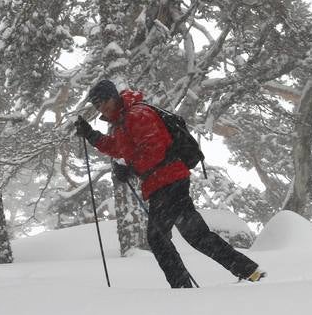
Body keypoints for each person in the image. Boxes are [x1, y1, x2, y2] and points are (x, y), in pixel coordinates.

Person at [74, 79, 264, 288]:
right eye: (97, 105)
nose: (102, 107)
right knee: (196, 235)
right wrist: (92, 136)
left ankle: (182, 288)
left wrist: (131, 169)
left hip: (167, 180)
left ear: (114, 96)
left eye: (104, 101)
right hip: (166, 181)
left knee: (157, 237)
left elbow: (155, 149)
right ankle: (249, 271)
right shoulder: (123, 122)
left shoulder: (136, 115)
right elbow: (119, 148)